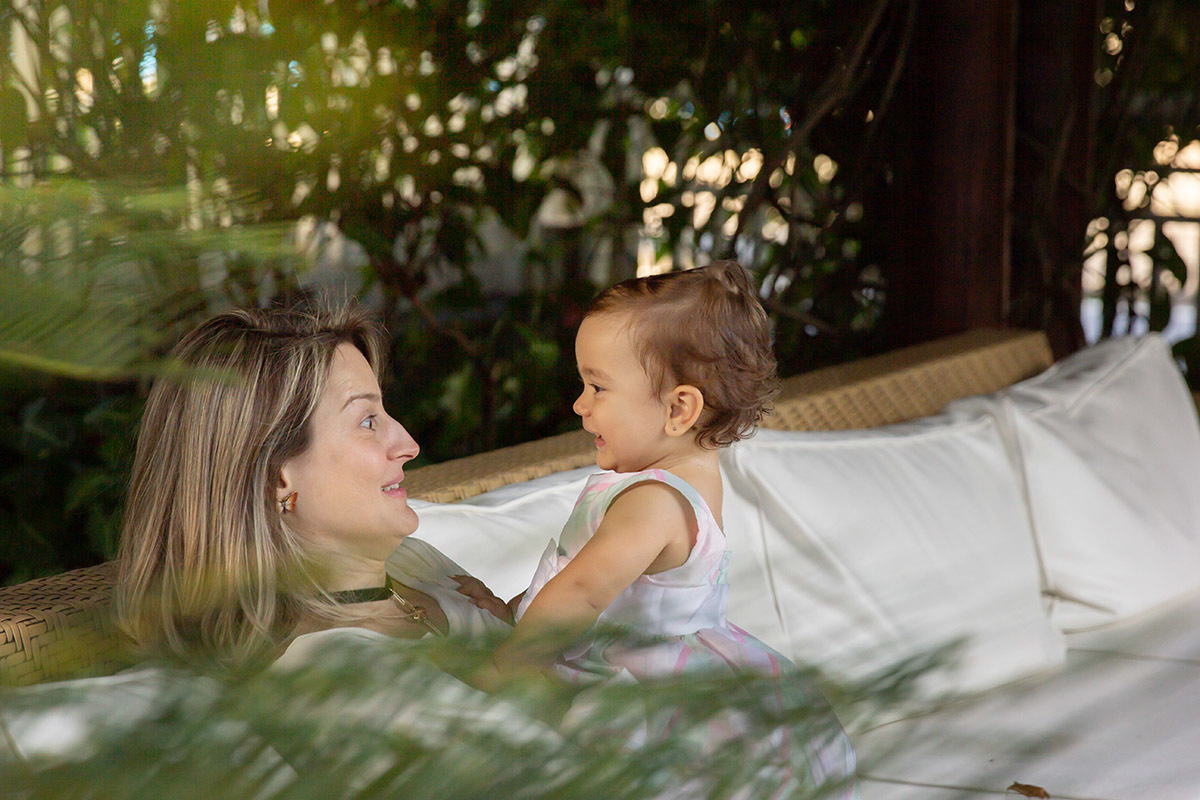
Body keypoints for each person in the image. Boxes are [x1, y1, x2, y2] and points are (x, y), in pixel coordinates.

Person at [488, 261, 862, 796]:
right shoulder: (690, 478)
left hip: (644, 687)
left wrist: (507, 662)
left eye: (597, 387)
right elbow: (576, 575)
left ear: (678, 409)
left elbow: (582, 590)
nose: (579, 405)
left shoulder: (656, 501)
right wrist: (511, 607)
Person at [115, 304, 510, 678]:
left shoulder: (411, 562)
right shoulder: (336, 669)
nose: (409, 444)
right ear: (277, 479)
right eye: (368, 421)